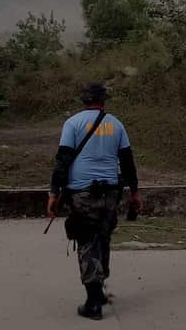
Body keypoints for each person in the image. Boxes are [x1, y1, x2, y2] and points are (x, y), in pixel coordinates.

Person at [47, 83, 142, 320]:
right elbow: (128, 161)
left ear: (84, 101)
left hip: (82, 193)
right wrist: (135, 193)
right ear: (103, 101)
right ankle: (98, 290)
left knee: (87, 242)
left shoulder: (73, 123)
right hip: (111, 192)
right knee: (103, 237)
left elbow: (63, 159)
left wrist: (53, 192)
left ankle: (92, 302)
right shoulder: (116, 124)